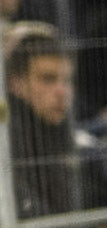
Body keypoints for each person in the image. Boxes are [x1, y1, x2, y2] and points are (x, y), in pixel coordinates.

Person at [4, 21, 99, 217]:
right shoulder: (7, 145)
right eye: (48, 79)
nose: (62, 92)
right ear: (15, 84)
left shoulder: (73, 141)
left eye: (67, 80)